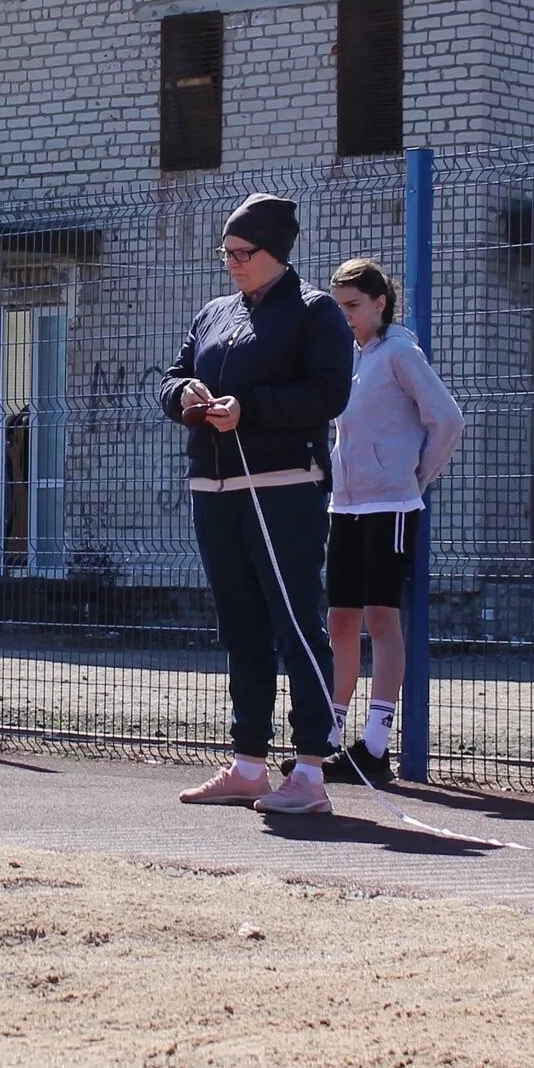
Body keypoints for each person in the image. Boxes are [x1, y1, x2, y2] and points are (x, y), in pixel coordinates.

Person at [160, 194, 355, 816]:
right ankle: (248, 763)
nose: (232, 263)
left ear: (276, 252)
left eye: (243, 253)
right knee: (239, 624)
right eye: (227, 252)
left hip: (281, 487)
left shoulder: (314, 312)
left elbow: (328, 393)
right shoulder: (214, 312)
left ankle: (311, 770)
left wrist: (250, 409)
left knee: (295, 622)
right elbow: (171, 374)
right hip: (212, 488)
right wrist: (183, 393)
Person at [320, 257, 463, 786]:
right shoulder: (346, 358)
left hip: (390, 507)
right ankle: (329, 737)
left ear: (380, 304)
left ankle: (376, 744)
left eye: (353, 306)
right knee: (339, 619)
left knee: (382, 619)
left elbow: (447, 418)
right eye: (338, 308)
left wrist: (413, 478)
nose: (346, 317)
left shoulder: (401, 352)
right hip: (346, 505)